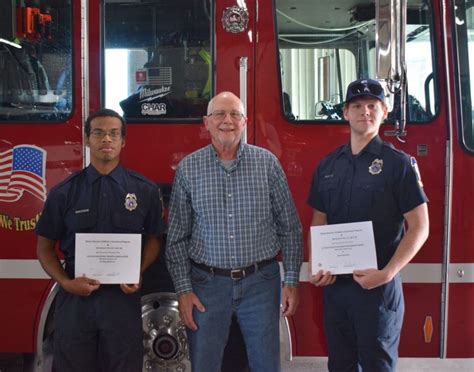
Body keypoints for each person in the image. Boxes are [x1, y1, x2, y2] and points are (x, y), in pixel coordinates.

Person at [166, 91, 303, 372]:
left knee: (266, 364)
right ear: (206, 122)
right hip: (207, 286)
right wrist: (183, 290)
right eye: (219, 114)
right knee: (204, 364)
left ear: (245, 122)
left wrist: (290, 281)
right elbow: (177, 237)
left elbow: (290, 227)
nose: (227, 121)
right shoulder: (189, 169)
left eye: (235, 115)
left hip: (260, 284)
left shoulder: (267, 165)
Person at [307, 78, 429, 371]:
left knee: (377, 366)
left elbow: (420, 227)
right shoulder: (327, 166)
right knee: (339, 365)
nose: (365, 112)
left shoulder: (399, 164)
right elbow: (319, 221)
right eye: (358, 106)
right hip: (337, 288)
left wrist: (387, 273)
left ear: (384, 111)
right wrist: (317, 264)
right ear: (346, 113)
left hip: (377, 289)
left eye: (373, 106)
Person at [36, 108, 165, 371]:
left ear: (123, 141)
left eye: (113, 134)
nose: (106, 139)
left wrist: (137, 271)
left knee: (124, 365)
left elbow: (154, 239)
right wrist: (66, 283)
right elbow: (44, 248)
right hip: (76, 301)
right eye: (99, 133)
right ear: (87, 139)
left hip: (122, 300)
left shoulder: (145, 190)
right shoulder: (64, 193)